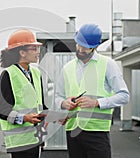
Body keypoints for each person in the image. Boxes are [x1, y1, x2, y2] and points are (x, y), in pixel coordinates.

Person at [55, 24, 130, 158]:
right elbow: (57, 96)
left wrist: (97, 103)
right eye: (78, 44)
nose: (80, 49)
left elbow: (124, 96)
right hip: (73, 132)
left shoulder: (108, 65)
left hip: (97, 133)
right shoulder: (67, 68)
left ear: (95, 47)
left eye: (85, 47)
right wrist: (63, 103)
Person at [0, 29, 48, 158]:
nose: (38, 52)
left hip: (36, 137)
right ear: (22, 52)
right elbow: (3, 111)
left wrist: (54, 116)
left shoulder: (36, 74)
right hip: (19, 142)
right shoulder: (8, 74)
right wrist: (25, 118)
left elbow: (40, 104)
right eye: (34, 48)